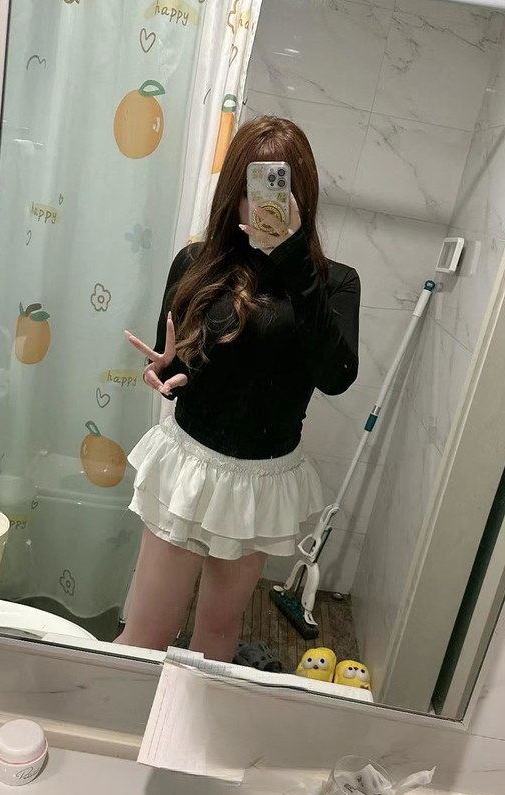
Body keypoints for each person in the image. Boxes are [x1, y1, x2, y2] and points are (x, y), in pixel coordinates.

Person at [116, 116, 360, 662]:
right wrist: (167, 376)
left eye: (282, 188)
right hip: (190, 464)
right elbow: (178, 368)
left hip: (261, 481)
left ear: (303, 196)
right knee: (147, 634)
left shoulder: (334, 282)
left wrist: (293, 258)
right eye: (255, 186)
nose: (265, 203)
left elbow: (337, 377)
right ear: (235, 190)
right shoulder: (198, 263)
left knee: (217, 639)